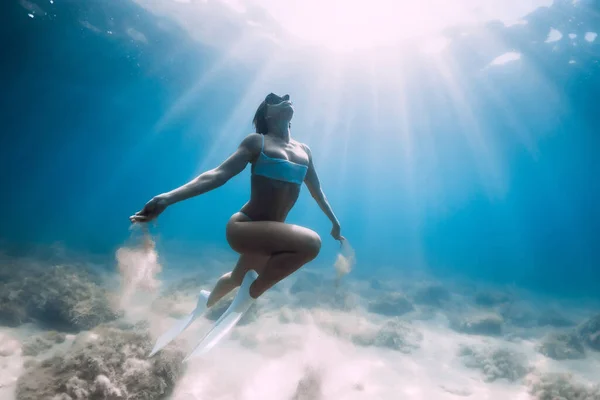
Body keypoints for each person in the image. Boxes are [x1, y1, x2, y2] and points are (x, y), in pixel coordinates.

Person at [130, 92, 344, 360]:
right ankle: (250, 296)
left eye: (288, 96)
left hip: (270, 236)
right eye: (276, 98)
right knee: (311, 243)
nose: (286, 98)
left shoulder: (305, 151)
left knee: (236, 278)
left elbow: (317, 191)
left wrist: (334, 223)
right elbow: (218, 175)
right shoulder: (258, 142)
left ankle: (204, 303)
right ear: (267, 113)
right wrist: (166, 198)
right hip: (245, 227)